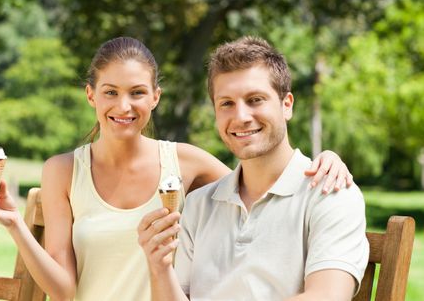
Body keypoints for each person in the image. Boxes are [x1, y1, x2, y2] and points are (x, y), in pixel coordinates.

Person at [0, 37, 354, 301]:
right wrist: (14, 223)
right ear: (91, 95)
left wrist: (325, 163)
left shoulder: (188, 167)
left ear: (155, 97)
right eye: (110, 92)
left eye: (137, 92)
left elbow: (259, 182)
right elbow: (65, 289)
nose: (124, 106)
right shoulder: (64, 170)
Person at [138, 36, 369, 301]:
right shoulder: (199, 205)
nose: (241, 117)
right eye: (226, 103)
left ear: (287, 105)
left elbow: (328, 296)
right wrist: (159, 267)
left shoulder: (330, 193)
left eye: (255, 99)